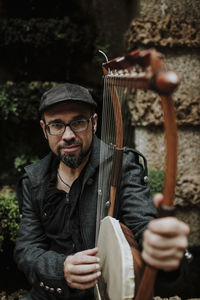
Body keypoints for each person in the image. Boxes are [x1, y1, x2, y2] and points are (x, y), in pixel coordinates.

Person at [14, 83, 189, 300]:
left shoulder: (121, 167)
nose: (68, 135)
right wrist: (60, 269)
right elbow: (27, 248)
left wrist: (161, 247)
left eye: (78, 122)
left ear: (94, 123)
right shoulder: (34, 179)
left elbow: (144, 225)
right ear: (44, 129)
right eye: (57, 125)